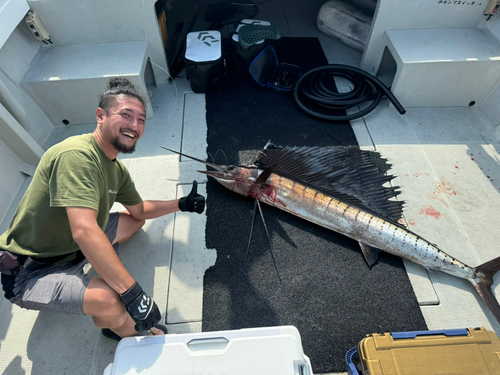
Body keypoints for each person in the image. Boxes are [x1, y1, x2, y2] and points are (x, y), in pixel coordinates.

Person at [0, 77, 205, 341]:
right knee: (113, 302)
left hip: (71, 251)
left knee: (134, 223)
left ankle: (95, 262)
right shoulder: (75, 155)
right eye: (126, 115)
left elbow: (140, 210)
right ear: (100, 115)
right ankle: (116, 329)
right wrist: (134, 295)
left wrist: (181, 203)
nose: (135, 125)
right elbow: (85, 231)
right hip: (30, 272)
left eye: (141, 120)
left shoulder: (115, 168)